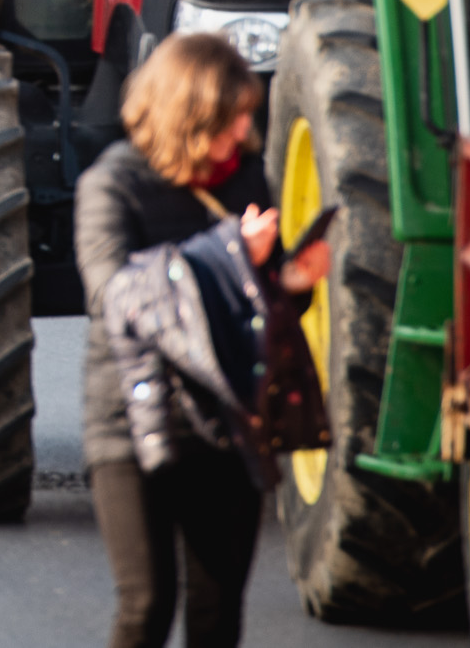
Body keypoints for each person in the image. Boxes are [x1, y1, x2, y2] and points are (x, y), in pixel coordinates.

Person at [77, 31, 329, 648]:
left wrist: (291, 279)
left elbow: (255, 299)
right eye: (231, 118)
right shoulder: (112, 185)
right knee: (147, 604)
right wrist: (231, 253)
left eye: (247, 116)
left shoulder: (242, 179)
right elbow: (116, 297)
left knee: (217, 615)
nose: (244, 132)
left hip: (225, 419)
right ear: (189, 115)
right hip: (134, 421)